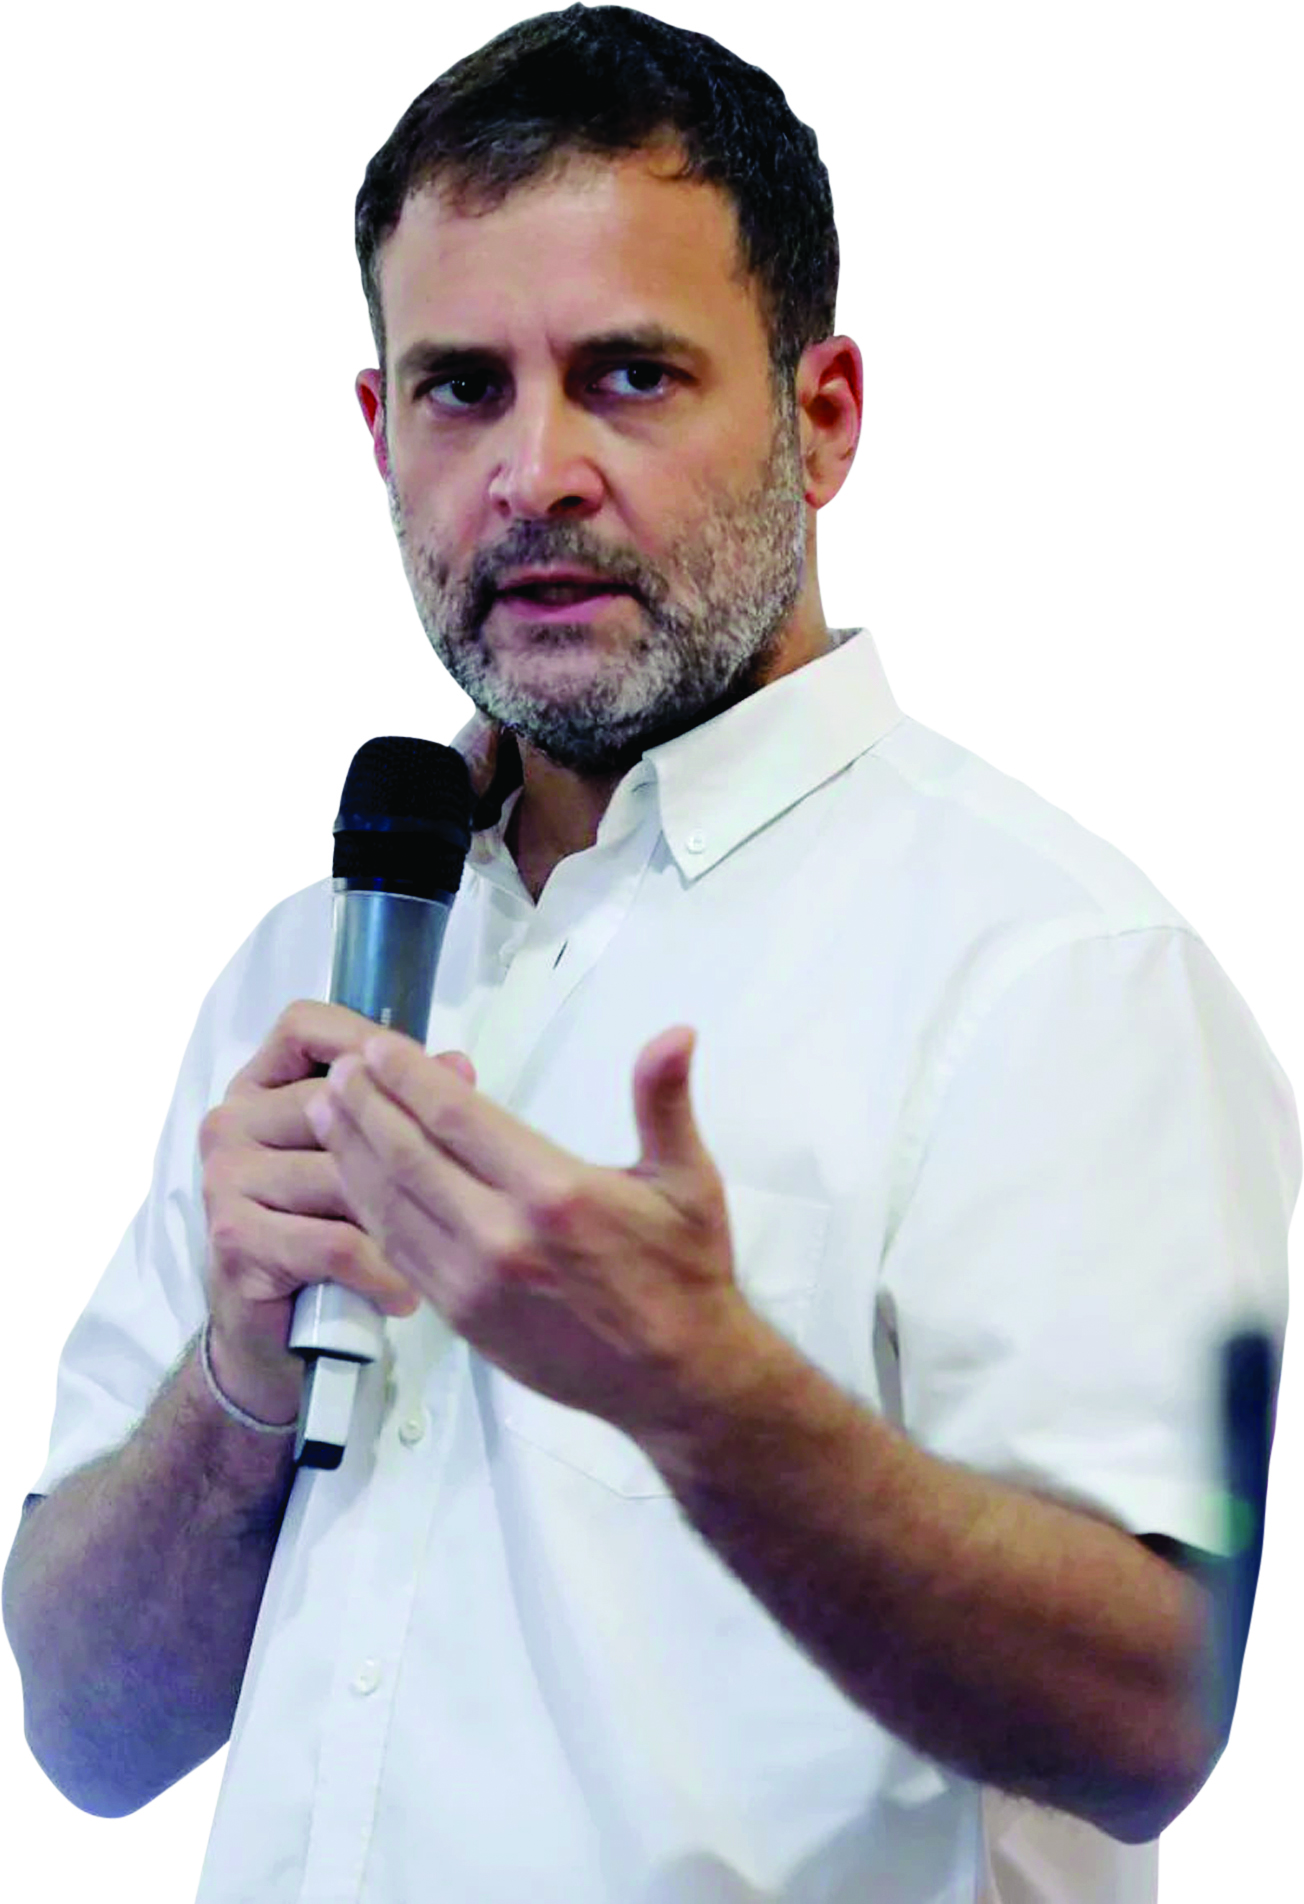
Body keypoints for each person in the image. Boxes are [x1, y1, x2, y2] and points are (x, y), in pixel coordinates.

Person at [2, 8, 1296, 1902]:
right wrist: (242, 1373)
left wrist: (706, 1394)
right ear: (376, 433)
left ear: (822, 417)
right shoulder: (313, 965)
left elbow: (1153, 1727)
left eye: (628, 376)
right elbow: (81, 1729)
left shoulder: (1065, 972)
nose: (533, 472)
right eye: (460, 388)